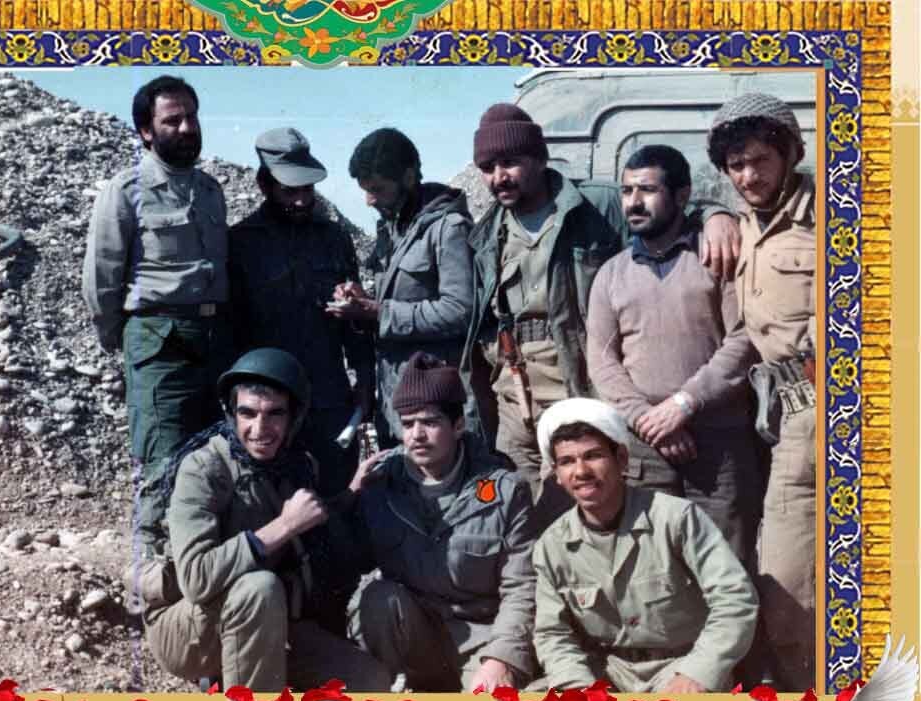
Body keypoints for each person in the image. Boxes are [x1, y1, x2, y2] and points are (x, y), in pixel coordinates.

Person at [462, 104, 742, 529]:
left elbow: (664, 212)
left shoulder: (597, 204)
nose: (498, 176)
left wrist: (716, 215)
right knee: (517, 514)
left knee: (583, 513)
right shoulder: (487, 231)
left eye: (510, 162)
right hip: (514, 396)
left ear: (539, 158)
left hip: (578, 385)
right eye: (487, 167)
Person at [138, 348, 391, 692]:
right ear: (232, 414)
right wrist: (283, 527)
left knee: (369, 680)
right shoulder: (203, 469)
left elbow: (309, 516)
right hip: (189, 628)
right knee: (260, 588)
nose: (259, 429)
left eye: (274, 414)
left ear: (294, 418)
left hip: (270, 622)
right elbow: (196, 579)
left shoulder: (296, 464)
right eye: (248, 413)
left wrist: (351, 492)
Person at [586, 144, 760, 567]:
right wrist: (650, 422)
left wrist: (684, 404)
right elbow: (602, 363)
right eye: (627, 191)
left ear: (682, 196)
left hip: (719, 442)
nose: (633, 202)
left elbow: (743, 340)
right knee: (655, 568)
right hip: (646, 448)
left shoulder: (716, 256)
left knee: (726, 566)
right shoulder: (611, 274)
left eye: (647, 190)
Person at [531, 398, 758, 693]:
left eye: (593, 455)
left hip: (681, 667)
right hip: (607, 673)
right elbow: (552, 633)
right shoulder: (552, 546)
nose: (581, 471)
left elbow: (735, 598)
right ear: (557, 475)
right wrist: (581, 689)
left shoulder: (675, 518)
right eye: (567, 462)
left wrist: (698, 673)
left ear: (622, 459)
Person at [342, 352, 538, 692]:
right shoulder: (380, 485)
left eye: (430, 423)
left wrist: (502, 657)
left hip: (482, 638)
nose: (416, 435)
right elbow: (347, 562)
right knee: (377, 598)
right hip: (417, 634)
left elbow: (521, 586)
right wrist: (349, 498)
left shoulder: (504, 490)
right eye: (407, 424)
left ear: (458, 425)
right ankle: (384, 697)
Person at [708, 92, 818, 691]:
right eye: (736, 166)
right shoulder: (743, 220)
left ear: (789, 154)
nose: (748, 176)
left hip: (828, 408)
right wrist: (713, 214)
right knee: (782, 581)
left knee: (792, 584)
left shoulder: (833, 212)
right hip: (780, 416)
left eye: (760, 161)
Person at [82, 74, 233, 474]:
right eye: (172, 120)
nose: (187, 128)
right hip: (159, 343)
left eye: (192, 117)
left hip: (214, 342)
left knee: (214, 463)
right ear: (146, 132)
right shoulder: (126, 191)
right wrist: (130, 339)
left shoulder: (211, 191)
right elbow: (101, 277)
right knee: (163, 463)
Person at [229, 128, 375, 496]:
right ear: (265, 185)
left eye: (307, 189)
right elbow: (230, 330)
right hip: (270, 403)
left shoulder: (334, 238)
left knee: (338, 498)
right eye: (289, 190)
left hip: (328, 397)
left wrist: (365, 376)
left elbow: (354, 319)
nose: (301, 200)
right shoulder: (241, 244)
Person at [327, 128, 480, 447]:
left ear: (408, 178)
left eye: (377, 189)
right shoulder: (393, 228)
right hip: (396, 397)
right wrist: (362, 302)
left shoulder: (448, 228)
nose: (369, 200)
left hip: (435, 401)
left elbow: (460, 310)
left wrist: (379, 312)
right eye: (365, 191)